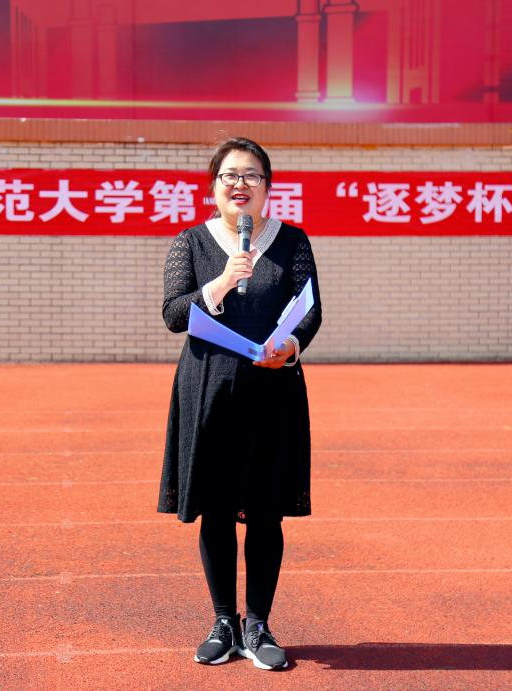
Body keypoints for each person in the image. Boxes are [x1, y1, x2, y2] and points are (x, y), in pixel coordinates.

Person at [158, 137, 322, 670]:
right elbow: (174, 313)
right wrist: (223, 281)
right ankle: (223, 622)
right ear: (214, 186)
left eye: (252, 175)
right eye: (230, 175)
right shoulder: (190, 243)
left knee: (266, 512)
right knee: (217, 508)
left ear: (267, 187)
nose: (240, 184)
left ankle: (258, 624)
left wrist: (290, 346)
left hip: (272, 389)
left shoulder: (292, 241)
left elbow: (311, 310)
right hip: (209, 390)